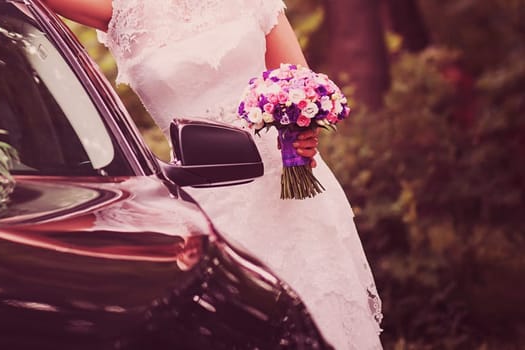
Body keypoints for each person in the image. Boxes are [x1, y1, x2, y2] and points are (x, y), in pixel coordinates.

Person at [42, 0, 383, 348]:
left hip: (289, 195)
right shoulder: (123, 10)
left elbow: (299, 85)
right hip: (204, 206)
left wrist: (301, 141)